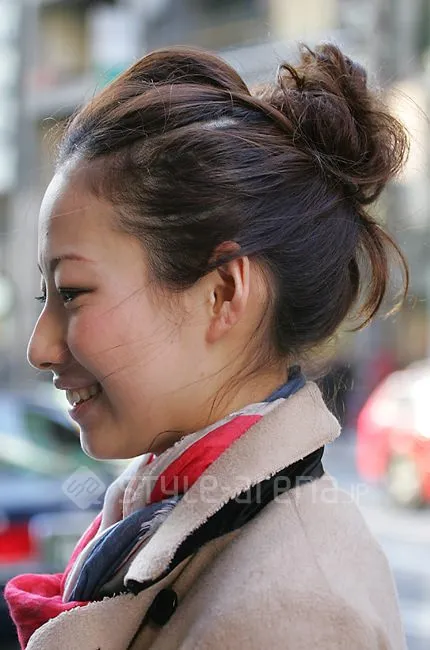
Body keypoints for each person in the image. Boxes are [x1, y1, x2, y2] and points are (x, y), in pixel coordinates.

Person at [5, 43, 409, 649]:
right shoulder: (167, 514)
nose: (40, 347)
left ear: (222, 295)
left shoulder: (292, 611)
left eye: (74, 292)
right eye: (46, 297)